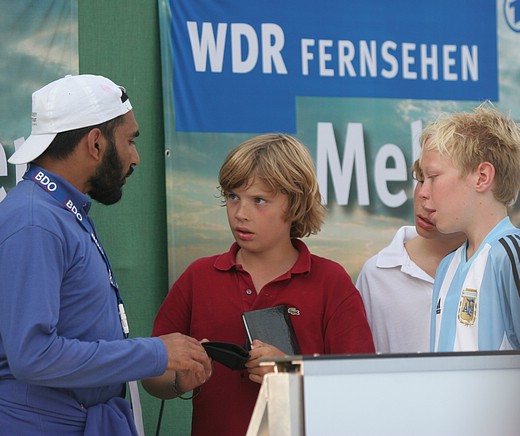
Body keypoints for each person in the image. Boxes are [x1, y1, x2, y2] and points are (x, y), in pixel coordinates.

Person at [0, 74, 212, 435]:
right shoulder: (36, 220)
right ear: (95, 143)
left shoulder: (60, 211)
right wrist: (155, 354)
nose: (136, 157)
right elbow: (33, 356)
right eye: (130, 140)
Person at [142, 133, 375, 436]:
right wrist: (177, 380)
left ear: (295, 204)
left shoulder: (331, 282)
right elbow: (151, 377)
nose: (240, 213)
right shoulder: (198, 277)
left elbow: (361, 387)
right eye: (233, 197)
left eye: (259, 200)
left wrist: (291, 375)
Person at [418, 103, 520, 352]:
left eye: (433, 177)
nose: (422, 192)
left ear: (482, 177)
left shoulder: (510, 254)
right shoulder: (447, 266)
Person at [356, 160, 466, 353]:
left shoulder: (497, 265)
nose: (424, 195)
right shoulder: (376, 274)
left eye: (440, 185)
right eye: (421, 179)